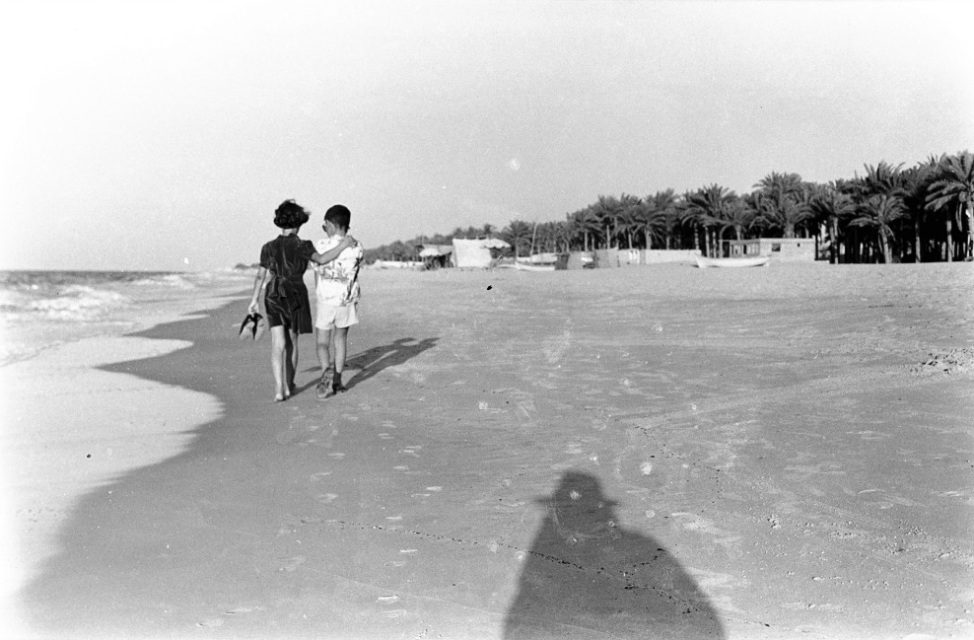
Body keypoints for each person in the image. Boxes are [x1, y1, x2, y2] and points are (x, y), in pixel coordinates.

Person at [248, 200, 356, 402]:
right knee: (292, 342)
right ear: (298, 223)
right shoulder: (303, 245)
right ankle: (290, 384)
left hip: (274, 293)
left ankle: (280, 390)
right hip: (295, 293)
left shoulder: (268, 247)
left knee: (277, 343)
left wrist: (253, 301)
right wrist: (343, 245)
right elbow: (323, 259)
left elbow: (260, 276)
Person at [312, 204, 365, 399]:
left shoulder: (320, 246)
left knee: (322, 343)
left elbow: (316, 268)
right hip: (346, 302)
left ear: (330, 225)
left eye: (325, 227)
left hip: (326, 300)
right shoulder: (357, 247)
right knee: (340, 340)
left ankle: (326, 369)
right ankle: (338, 380)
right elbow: (357, 268)